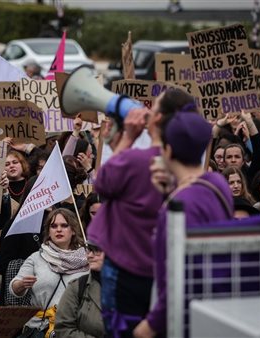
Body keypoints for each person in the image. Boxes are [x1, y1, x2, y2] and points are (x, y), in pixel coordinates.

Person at [88, 89, 191, 337]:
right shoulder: (187, 164)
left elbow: (102, 183)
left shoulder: (136, 159)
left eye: (152, 107)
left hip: (126, 270)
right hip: (164, 272)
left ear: (156, 119)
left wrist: (127, 138)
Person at [135, 112, 233, 338]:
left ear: (167, 151)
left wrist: (150, 325)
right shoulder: (216, 182)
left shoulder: (180, 206)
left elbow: (177, 279)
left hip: (182, 322)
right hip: (208, 312)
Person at [10, 208, 88, 337]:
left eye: (64, 225)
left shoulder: (87, 259)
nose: (58, 229)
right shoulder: (36, 257)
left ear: (73, 230)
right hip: (41, 328)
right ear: (48, 231)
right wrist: (21, 285)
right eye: (53, 226)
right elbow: (14, 288)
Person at [55, 240, 105, 338]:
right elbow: (63, 329)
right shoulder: (77, 287)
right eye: (89, 249)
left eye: (96, 250)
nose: (90, 255)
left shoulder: (134, 287)